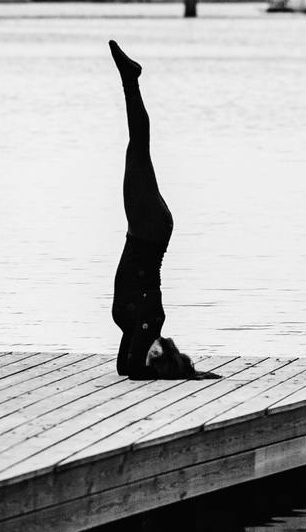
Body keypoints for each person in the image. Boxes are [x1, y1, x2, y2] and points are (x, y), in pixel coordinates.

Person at [108, 39, 215, 380]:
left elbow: (127, 368)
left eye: (155, 354)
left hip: (143, 229)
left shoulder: (137, 326)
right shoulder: (152, 319)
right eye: (162, 352)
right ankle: (131, 79)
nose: (156, 348)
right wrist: (163, 366)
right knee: (138, 147)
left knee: (135, 149)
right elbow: (138, 371)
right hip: (149, 231)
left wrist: (154, 366)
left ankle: (130, 79)